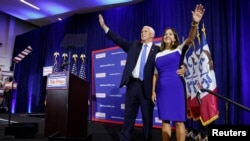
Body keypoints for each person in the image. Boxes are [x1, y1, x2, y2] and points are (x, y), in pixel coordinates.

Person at [98, 14, 186, 141]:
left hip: (147, 87)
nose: (142, 33)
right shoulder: (134, 45)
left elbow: (173, 59)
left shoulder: (158, 51)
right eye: (141, 31)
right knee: (129, 117)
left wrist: (184, 67)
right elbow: (118, 40)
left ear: (152, 35)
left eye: (145, 31)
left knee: (147, 119)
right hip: (132, 85)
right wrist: (104, 27)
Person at [151, 4, 205, 141]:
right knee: (165, 120)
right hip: (162, 89)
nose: (167, 36)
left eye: (170, 34)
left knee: (180, 121)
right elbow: (155, 74)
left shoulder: (179, 49)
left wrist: (194, 23)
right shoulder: (157, 54)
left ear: (174, 38)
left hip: (176, 87)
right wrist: (153, 91)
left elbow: (191, 38)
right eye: (165, 34)